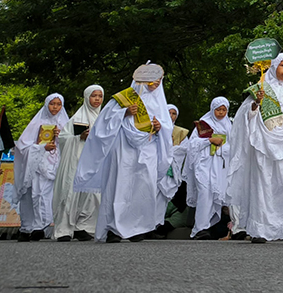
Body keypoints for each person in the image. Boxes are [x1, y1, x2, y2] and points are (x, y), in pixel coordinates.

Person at [74, 62, 174, 242]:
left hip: (148, 150)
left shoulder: (160, 102)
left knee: (143, 187)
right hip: (124, 150)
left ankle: (137, 228)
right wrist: (124, 113)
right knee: (120, 186)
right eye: (153, 79)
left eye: (159, 79)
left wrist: (161, 127)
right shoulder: (124, 97)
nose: (156, 83)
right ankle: (114, 228)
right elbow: (103, 124)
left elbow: (167, 127)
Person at [225, 52, 283, 243]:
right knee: (262, 183)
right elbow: (247, 115)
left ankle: (278, 228)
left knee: (282, 183)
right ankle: (259, 229)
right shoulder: (262, 87)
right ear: (274, 66)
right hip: (262, 143)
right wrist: (256, 104)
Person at [52, 84, 104, 241]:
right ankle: (64, 230)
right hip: (76, 160)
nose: (97, 99)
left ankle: (83, 226)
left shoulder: (103, 119)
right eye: (94, 96)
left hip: (94, 162)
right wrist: (78, 138)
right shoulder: (77, 118)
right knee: (70, 193)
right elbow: (63, 138)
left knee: (92, 196)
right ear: (87, 97)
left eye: (100, 96)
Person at [15, 94, 68, 240]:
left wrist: (61, 136)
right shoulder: (36, 123)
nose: (55, 107)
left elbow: (71, 144)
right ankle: (28, 227)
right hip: (36, 166)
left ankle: (42, 226)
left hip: (55, 165)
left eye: (58, 104)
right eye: (52, 104)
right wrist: (42, 147)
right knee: (34, 196)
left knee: (47, 195)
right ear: (46, 105)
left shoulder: (65, 123)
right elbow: (23, 146)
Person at [185, 96, 233, 240]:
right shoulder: (204, 124)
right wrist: (209, 141)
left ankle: (206, 226)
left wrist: (223, 148)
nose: (221, 113)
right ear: (213, 109)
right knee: (204, 194)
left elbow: (233, 146)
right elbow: (192, 145)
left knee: (214, 196)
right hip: (204, 165)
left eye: (224, 110)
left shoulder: (229, 126)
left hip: (220, 167)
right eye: (218, 109)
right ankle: (200, 228)